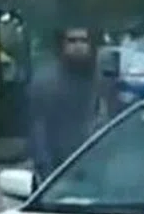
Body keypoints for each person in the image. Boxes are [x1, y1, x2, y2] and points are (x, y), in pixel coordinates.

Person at [28, 27, 103, 180]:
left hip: (94, 167)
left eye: (83, 41)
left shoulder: (98, 80)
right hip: (58, 168)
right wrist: (46, 170)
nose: (78, 46)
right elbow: (37, 129)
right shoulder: (45, 82)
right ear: (62, 46)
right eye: (72, 41)